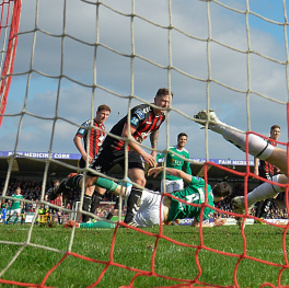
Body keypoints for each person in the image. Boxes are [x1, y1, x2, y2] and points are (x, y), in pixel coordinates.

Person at [50, 88, 173, 225]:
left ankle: (129, 220)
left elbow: (154, 131)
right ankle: (63, 185)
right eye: (163, 101)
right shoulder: (140, 112)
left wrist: (154, 152)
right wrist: (144, 154)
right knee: (88, 182)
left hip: (131, 150)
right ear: (155, 99)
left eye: (168, 102)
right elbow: (126, 135)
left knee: (140, 180)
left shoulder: (161, 116)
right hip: (113, 147)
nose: (165, 104)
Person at [63, 166, 231, 229]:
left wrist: (161, 168)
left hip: (157, 198)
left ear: (215, 186)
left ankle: (87, 176)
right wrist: (213, 224)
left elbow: (180, 173)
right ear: (222, 199)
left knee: (120, 190)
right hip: (159, 215)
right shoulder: (209, 206)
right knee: (121, 225)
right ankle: (81, 226)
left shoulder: (204, 184)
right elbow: (196, 225)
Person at [73, 104, 111, 222]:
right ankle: (85, 219)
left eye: (107, 115)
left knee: (102, 189)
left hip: (100, 162)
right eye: (102, 114)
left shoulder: (103, 127)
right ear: (97, 113)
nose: (104, 116)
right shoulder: (89, 124)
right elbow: (77, 138)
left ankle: (90, 215)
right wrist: (84, 154)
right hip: (89, 161)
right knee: (90, 187)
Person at [253, 125, 281, 220]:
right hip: (265, 170)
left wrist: (277, 166)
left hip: (271, 172)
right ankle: (260, 215)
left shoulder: (275, 143)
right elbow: (256, 153)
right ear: (271, 132)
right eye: (275, 131)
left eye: (278, 132)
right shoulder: (266, 142)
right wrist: (256, 168)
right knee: (272, 191)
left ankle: (259, 216)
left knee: (267, 194)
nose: (277, 133)